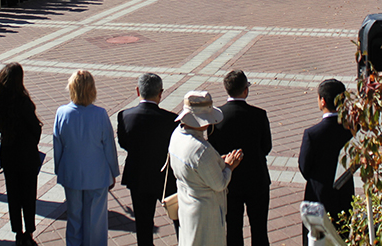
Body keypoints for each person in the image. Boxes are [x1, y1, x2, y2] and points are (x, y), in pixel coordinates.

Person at [54, 70, 119, 246]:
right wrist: (113, 170)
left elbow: (57, 144)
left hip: (72, 172)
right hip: (97, 174)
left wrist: (59, 169)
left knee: (74, 217)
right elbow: (108, 145)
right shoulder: (100, 114)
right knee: (95, 220)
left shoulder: (62, 113)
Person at [169, 91, 243, 246]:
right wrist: (229, 165)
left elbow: (195, 168)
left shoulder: (177, 134)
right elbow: (219, 184)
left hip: (187, 203)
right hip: (205, 211)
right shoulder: (201, 149)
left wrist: (217, 163)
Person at [209, 71, 271, 246]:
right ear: (245, 90)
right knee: (259, 230)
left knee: (232, 231)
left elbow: (213, 150)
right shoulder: (259, 115)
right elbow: (266, 147)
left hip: (229, 181)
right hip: (256, 179)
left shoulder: (216, 117)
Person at [116, 73, 179, 246]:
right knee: (178, 220)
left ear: (138, 91)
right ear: (161, 93)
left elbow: (123, 143)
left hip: (138, 176)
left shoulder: (124, 116)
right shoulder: (171, 119)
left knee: (143, 226)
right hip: (165, 177)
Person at [0, 63, 43, 245]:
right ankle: (29, 231)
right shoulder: (23, 102)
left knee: (13, 194)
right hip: (26, 152)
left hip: (9, 151)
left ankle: (17, 231)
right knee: (28, 194)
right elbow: (35, 128)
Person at [298, 79, 353, 240]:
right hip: (344, 192)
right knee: (342, 236)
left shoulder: (312, 134)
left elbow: (304, 167)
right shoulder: (350, 130)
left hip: (318, 194)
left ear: (322, 100)